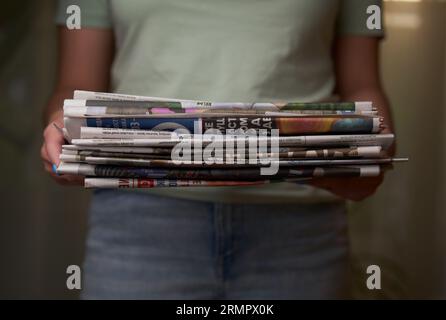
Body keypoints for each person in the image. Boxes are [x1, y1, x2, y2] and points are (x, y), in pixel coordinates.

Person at [41, 0, 394, 299]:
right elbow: (75, 86)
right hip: (140, 226)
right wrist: (64, 128)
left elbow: (363, 85)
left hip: (299, 232)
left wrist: (371, 149)